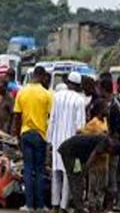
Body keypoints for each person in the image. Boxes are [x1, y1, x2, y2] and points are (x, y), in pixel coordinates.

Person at [12, 66, 52, 213]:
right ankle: (40, 206)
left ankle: (28, 205)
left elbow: (17, 116)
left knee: (28, 170)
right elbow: (50, 117)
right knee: (40, 171)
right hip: (41, 135)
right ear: (41, 76)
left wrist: (17, 136)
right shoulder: (47, 94)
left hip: (26, 134)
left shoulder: (22, 92)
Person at [47, 72, 86, 213]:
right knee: (68, 175)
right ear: (79, 85)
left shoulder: (56, 97)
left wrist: (49, 141)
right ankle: (64, 207)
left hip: (57, 141)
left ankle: (54, 205)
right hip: (71, 144)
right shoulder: (79, 100)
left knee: (56, 173)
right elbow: (80, 127)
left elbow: (52, 119)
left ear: (68, 82)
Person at [59, 135, 120, 213]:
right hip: (70, 152)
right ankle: (78, 207)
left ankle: (78, 206)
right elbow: (92, 158)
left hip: (76, 155)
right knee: (75, 178)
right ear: (112, 148)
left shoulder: (105, 140)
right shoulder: (104, 143)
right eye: (111, 153)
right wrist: (84, 172)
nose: (108, 154)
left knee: (77, 178)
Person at [78, 99, 109, 213]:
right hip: (95, 161)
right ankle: (92, 206)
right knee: (93, 185)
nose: (108, 110)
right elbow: (81, 132)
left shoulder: (105, 121)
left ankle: (99, 205)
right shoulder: (93, 123)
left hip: (104, 161)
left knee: (102, 185)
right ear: (100, 110)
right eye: (105, 108)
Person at [100, 76, 120, 211]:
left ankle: (110, 205)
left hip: (112, 145)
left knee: (112, 175)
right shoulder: (104, 103)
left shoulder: (115, 106)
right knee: (104, 175)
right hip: (104, 145)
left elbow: (116, 128)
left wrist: (112, 140)